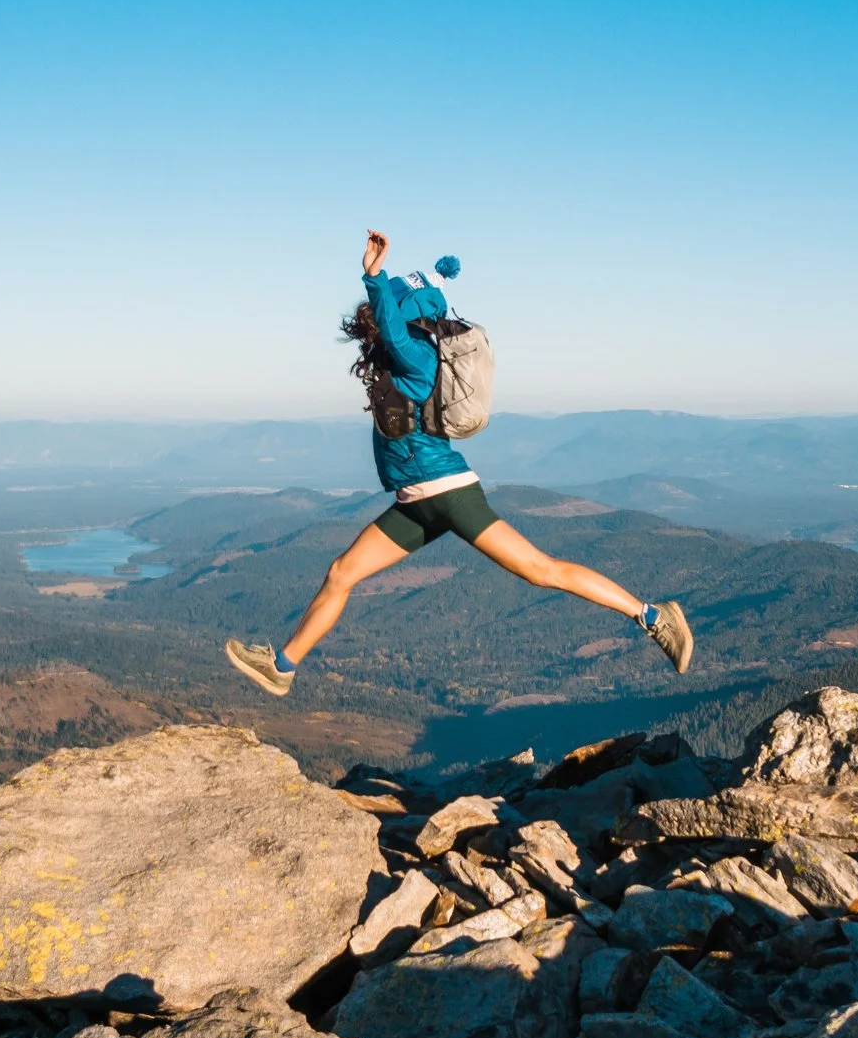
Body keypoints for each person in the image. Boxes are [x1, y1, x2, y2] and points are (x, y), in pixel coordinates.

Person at [225, 229, 695, 696]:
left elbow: (388, 324)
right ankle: (282, 667)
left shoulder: (419, 354)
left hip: (447, 494)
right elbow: (386, 328)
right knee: (341, 572)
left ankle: (654, 617)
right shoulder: (402, 353)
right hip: (415, 502)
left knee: (541, 570)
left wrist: (373, 276)